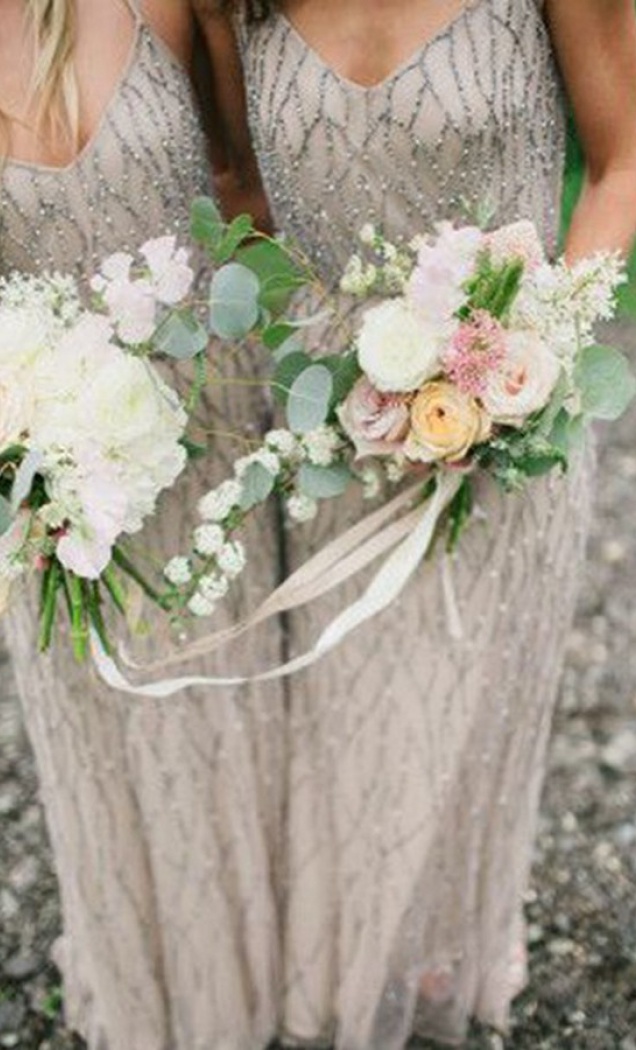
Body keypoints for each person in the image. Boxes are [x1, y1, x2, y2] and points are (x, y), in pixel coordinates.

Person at [217, 0, 636, 1047]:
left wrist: (530, 356)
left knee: (460, 745)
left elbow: (621, 165)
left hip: (507, 432)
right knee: (348, 747)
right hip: (335, 438)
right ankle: (341, 995)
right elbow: (246, 194)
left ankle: (433, 989)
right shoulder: (235, 5)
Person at [0, 3, 287, 1049]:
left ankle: (264, 986)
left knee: (230, 713)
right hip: (50, 491)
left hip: (210, 439)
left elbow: (248, 184)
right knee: (105, 743)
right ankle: (150, 990)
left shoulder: (169, 3)